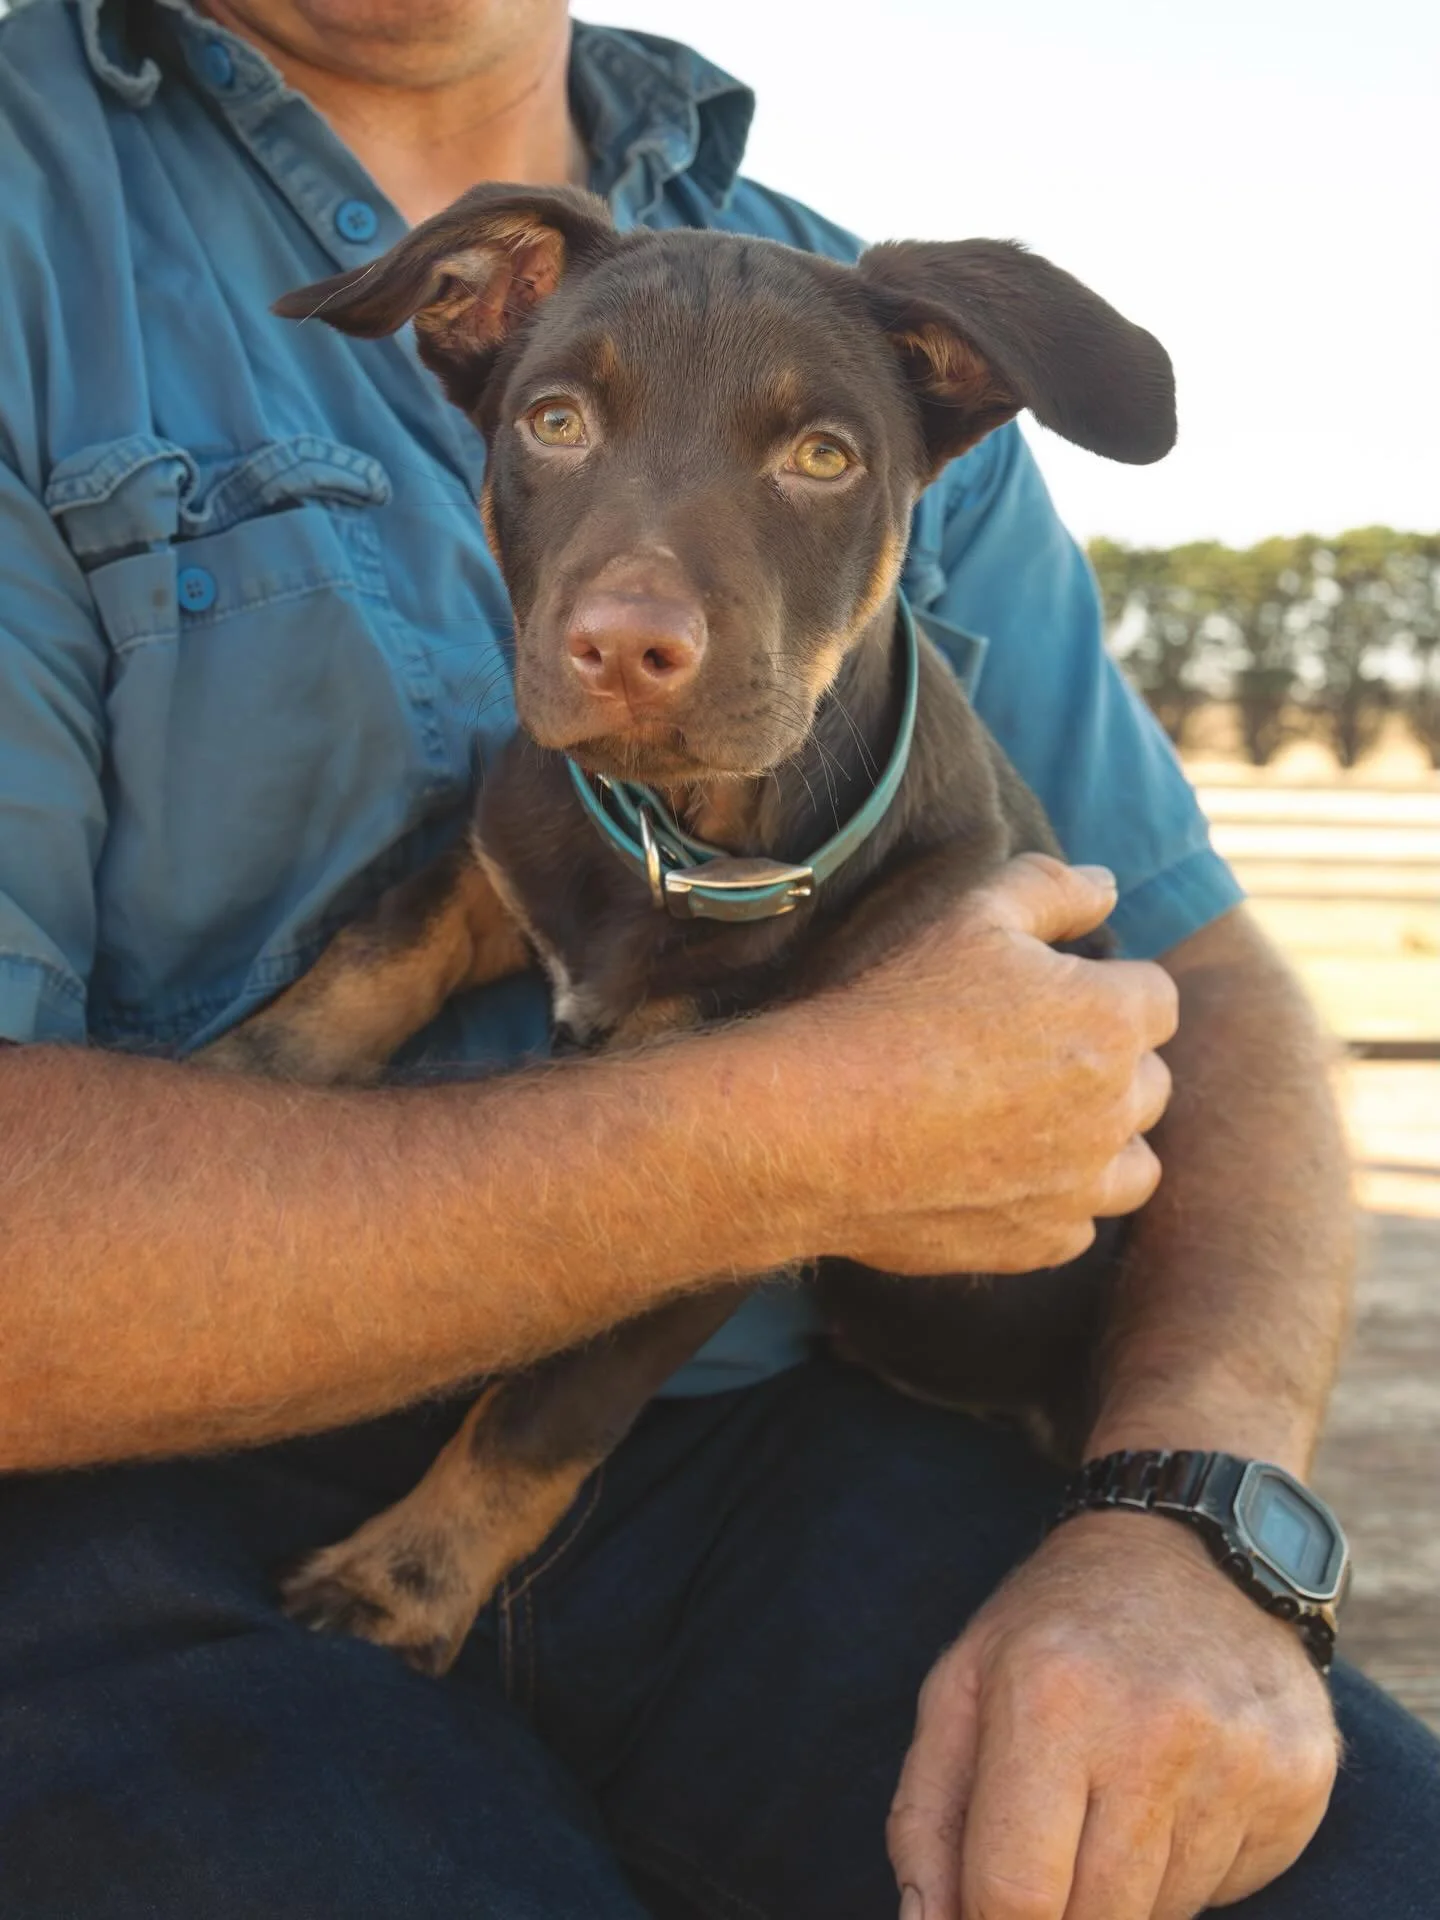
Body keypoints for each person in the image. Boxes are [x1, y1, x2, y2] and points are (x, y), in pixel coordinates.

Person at [0, 1, 1435, 1915]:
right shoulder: (40, 221)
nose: (635, 613)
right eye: (563, 419)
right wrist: (804, 1125)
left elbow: (1204, 982)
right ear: (472, 343)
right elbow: (481, 890)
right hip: (139, 1485)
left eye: (820, 455)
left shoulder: (846, 300)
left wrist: (1191, 1518)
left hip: (810, 1442)